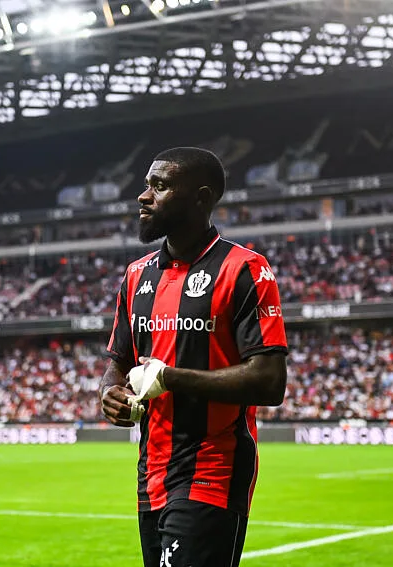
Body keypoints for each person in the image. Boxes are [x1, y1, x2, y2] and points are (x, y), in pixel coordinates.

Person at [100, 147, 288, 567]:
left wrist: (170, 378)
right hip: (151, 475)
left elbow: (270, 381)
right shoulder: (136, 275)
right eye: (147, 185)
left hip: (213, 471)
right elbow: (118, 362)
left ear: (201, 198)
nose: (143, 196)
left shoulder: (245, 269)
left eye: (160, 186)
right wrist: (109, 393)